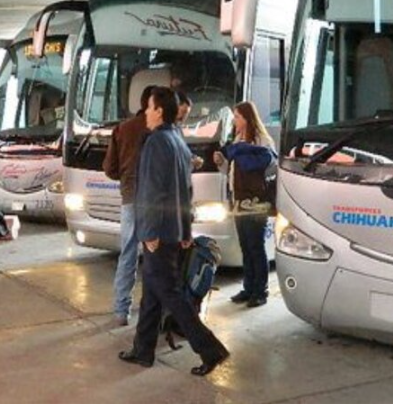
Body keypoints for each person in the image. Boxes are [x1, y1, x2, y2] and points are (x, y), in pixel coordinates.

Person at [118, 87, 229, 377]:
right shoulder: (177, 140)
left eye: (150, 107)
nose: (146, 112)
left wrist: (150, 232)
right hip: (173, 230)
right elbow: (185, 191)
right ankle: (143, 350)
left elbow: (153, 192)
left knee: (171, 296)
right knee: (153, 295)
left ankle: (211, 350)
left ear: (159, 111)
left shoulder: (157, 142)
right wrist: (186, 229)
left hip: (159, 234)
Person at [214, 102, 276, 308]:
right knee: (245, 246)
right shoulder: (237, 141)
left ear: (248, 118)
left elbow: (270, 168)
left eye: (238, 116)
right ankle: (249, 287)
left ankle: (261, 291)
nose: (235, 121)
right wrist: (221, 162)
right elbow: (230, 171)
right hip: (238, 199)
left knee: (255, 246)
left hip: (256, 201)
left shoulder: (262, 141)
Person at [104, 85, 154, 327]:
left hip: (130, 199)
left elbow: (109, 169)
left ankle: (121, 310)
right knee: (157, 256)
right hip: (154, 202)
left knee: (128, 253)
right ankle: (154, 309)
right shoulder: (159, 129)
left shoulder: (122, 129)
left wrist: (125, 177)